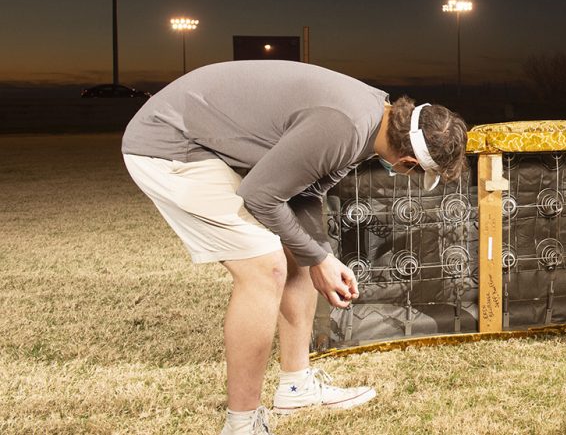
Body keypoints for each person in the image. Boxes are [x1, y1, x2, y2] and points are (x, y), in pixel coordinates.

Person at [121, 60, 468, 434]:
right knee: (265, 268)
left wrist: (320, 255)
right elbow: (260, 196)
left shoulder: (374, 117)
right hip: (169, 143)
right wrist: (319, 256)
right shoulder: (343, 128)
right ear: (408, 163)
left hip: (198, 136)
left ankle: (295, 385)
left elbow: (305, 192)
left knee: (301, 250)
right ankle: (241, 424)